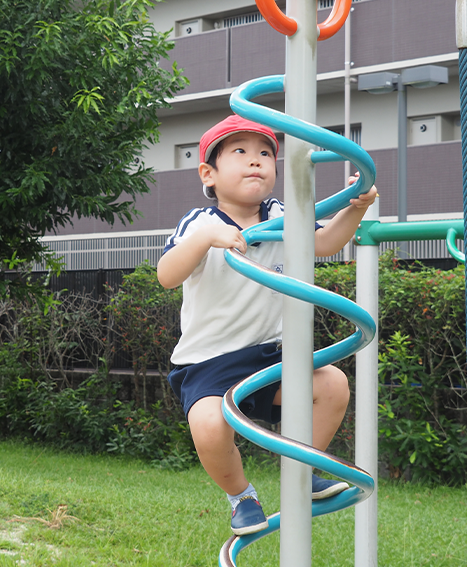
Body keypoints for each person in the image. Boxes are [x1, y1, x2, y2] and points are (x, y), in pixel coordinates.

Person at [157, 115, 378, 536]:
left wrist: (356, 208)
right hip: (208, 363)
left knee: (332, 385)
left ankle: (303, 472)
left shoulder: (280, 215)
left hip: (269, 358)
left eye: (264, 154)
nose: (255, 161)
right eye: (240, 152)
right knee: (209, 427)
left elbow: (326, 242)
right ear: (208, 174)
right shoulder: (200, 222)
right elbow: (166, 275)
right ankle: (241, 496)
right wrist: (205, 240)